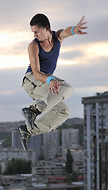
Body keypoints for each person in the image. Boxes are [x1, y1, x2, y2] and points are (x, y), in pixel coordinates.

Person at [18, 13, 87, 151]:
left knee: (63, 112)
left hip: (44, 84)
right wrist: (50, 79)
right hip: (32, 81)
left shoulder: (57, 38)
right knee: (67, 87)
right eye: (33, 32)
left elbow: (65, 32)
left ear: (46, 28)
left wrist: (74, 30)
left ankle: (28, 130)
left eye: (37, 31)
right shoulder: (34, 45)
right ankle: (33, 110)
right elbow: (36, 72)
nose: (34, 35)